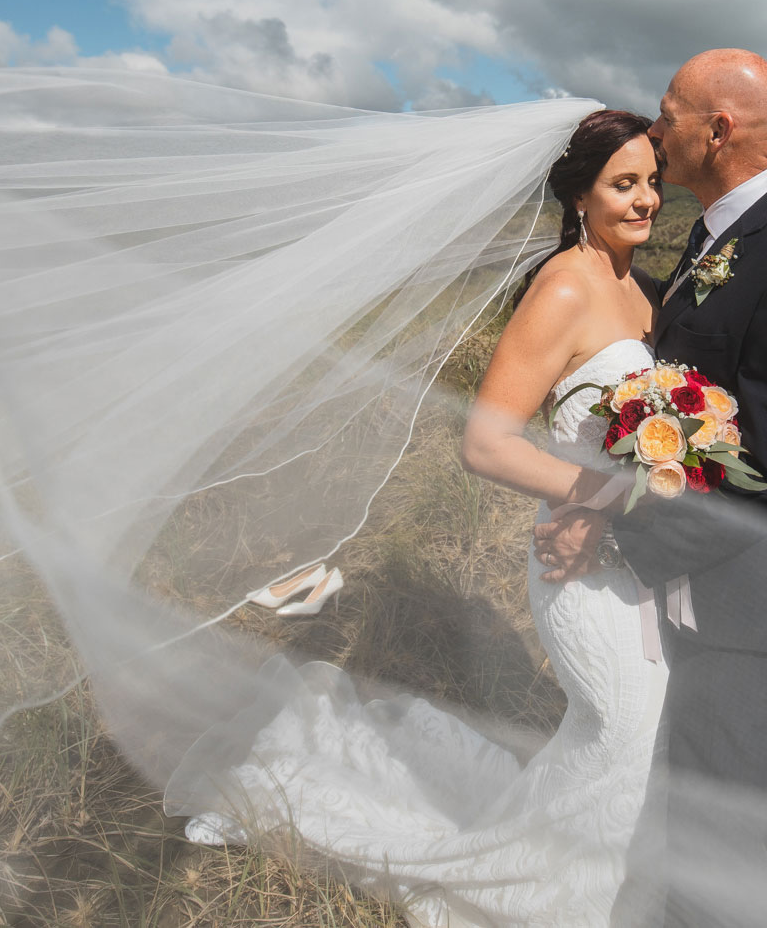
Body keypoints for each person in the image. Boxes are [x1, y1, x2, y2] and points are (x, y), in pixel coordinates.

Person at [171, 107, 675, 927]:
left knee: (635, 736)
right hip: (577, 560)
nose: (647, 198)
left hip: (635, 556)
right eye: (624, 183)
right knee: (615, 728)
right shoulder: (566, 285)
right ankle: (524, 894)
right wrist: (604, 496)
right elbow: (486, 442)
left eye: (653, 180)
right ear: (579, 194)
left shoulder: (640, 286)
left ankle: (594, 888)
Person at [535, 49, 767, 928]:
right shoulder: (721, 230)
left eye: (668, 113)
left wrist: (615, 530)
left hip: (754, 592)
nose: (656, 129)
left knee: (712, 834)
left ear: (716, 130)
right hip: (733, 582)